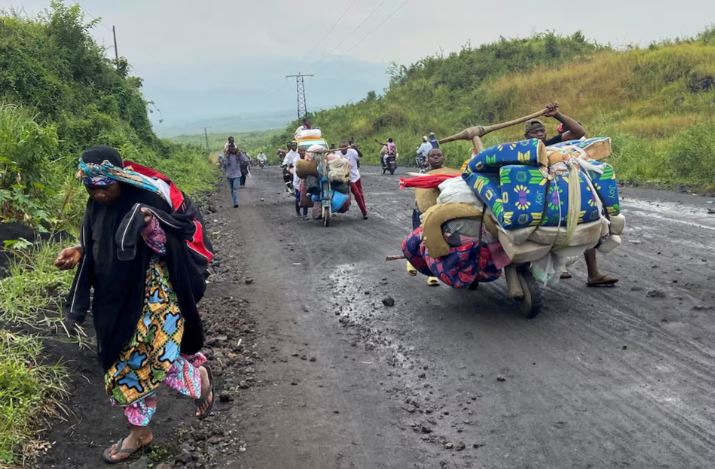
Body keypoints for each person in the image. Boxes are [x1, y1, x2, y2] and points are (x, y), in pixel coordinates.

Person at [54, 146, 214, 464]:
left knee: (151, 358)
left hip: (152, 298)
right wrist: (80, 251)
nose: (98, 193)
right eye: (91, 187)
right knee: (119, 365)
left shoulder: (147, 202)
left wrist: (150, 225)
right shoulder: (95, 204)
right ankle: (144, 428)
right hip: (113, 299)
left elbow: (170, 245)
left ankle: (193, 385)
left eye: (104, 186)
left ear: (118, 179)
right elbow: (99, 240)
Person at [524, 102, 617, 287]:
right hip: (538, 200)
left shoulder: (554, 146)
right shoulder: (521, 152)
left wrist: (557, 115)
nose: (539, 135)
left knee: (587, 225)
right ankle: (538, 273)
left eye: (542, 131)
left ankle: (593, 274)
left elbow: (578, 131)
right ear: (526, 136)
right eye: (535, 133)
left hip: (562, 195)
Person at [406, 148, 456, 286]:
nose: (436, 158)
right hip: (427, 211)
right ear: (427, 159)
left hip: (448, 209)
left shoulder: (451, 173)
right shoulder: (422, 175)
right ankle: (430, 273)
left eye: (439, 155)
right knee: (425, 238)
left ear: (443, 157)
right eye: (432, 156)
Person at [341, 140, 368, 219]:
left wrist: (356, 149)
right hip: (348, 178)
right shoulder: (337, 154)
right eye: (341, 148)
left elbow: (360, 156)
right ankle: (364, 212)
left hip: (356, 176)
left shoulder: (352, 152)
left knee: (361, 193)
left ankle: (364, 210)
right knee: (357, 194)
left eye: (345, 147)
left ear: (347, 147)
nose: (343, 149)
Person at [223, 140, 243, 207]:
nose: (232, 148)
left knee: (235, 189)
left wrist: (240, 154)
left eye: (233, 147)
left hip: (237, 174)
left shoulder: (238, 154)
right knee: (231, 190)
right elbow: (225, 164)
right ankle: (234, 201)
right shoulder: (227, 155)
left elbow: (243, 160)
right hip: (229, 175)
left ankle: (235, 203)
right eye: (230, 147)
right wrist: (227, 156)